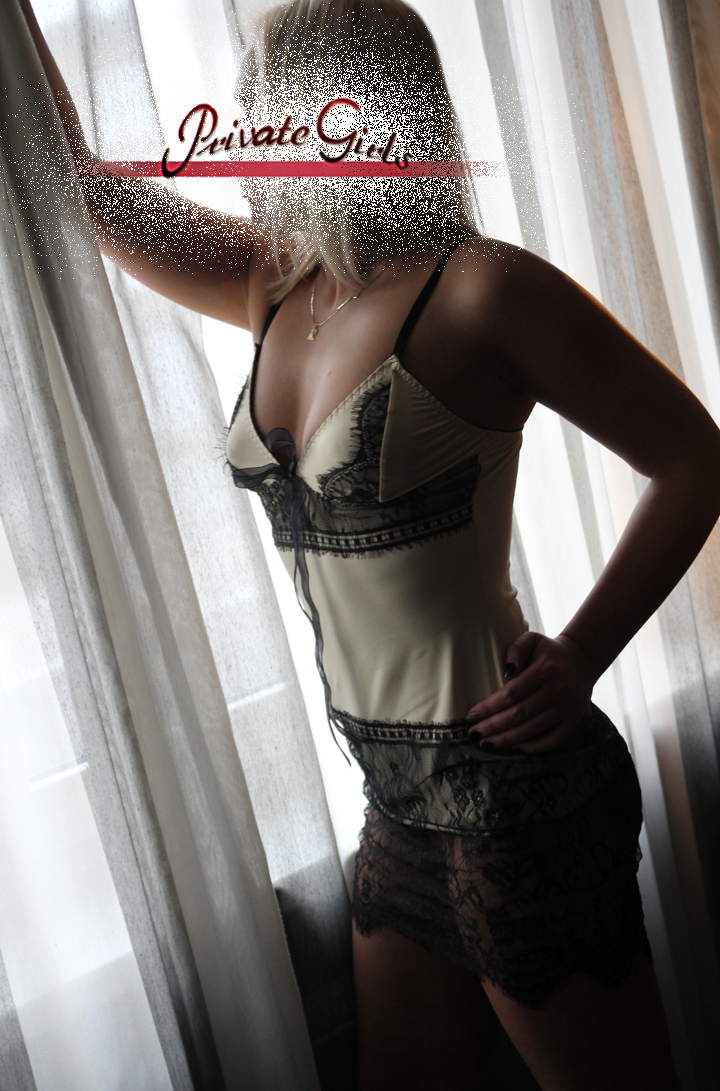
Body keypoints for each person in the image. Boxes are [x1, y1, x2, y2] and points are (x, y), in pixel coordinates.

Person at [18, 0, 720, 1087]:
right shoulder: (273, 285)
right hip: (393, 805)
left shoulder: (481, 287)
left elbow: (694, 456)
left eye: (261, 97)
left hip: (515, 797)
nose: (241, 121)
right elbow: (81, 191)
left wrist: (584, 650)